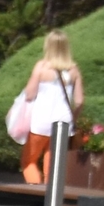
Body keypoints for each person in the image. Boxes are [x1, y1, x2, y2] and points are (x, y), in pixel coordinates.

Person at [19, 31, 81, 185]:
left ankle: (36, 195)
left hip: (41, 122)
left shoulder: (41, 67)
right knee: (52, 166)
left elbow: (29, 94)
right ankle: (49, 200)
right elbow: (79, 101)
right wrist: (74, 117)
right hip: (63, 124)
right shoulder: (74, 70)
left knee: (28, 161)